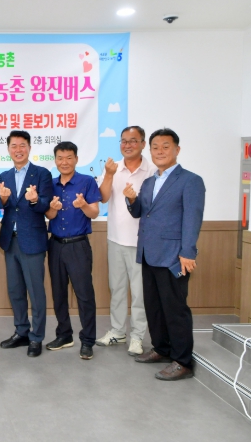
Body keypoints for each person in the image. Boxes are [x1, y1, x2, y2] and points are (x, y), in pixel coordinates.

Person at [126, 128, 205, 381]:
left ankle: (182, 361)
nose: (160, 151)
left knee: (175, 309)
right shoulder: (149, 181)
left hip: (173, 256)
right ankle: (161, 348)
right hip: (149, 253)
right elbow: (141, 213)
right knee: (154, 307)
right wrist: (131, 200)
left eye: (165, 146)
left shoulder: (190, 181)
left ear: (177, 150)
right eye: (155, 147)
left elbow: (192, 219)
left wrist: (187, 252)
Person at [96, 126, 156, 356]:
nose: (127, 145)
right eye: (124, 141)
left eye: (133, 141)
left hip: (142, 243)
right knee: (117, 288)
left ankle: (137, 336)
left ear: (143, 144)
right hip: (115, 239)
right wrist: (109, 174)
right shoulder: (113, 168)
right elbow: (103, 198)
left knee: (139, 293)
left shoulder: (152, 171)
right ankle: (118, 331)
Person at [0, 131, 53, 358]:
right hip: (11, 241)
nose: (18, 150)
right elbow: (0, 202)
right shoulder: (4, 175)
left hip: (33, 241)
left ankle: (36, 337)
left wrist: (36, 200)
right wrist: (3, 198)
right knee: (15, 290)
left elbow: (47, 204)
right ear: (8, 149)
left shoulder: (42, 174)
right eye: (14, 146)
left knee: (36, 292)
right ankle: (21, 332)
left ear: (29, 148)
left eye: (22, 145)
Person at [45, 141, 101, 360]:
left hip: (78, 245)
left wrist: (83, 205)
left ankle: (87, 340)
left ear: (76, 159)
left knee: (84, 295)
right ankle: (64, 335)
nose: (64, 162)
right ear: (55, 160)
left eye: (69, 157)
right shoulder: (50, 184)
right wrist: (52, 209)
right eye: (60, 158)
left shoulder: (87, 181)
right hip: (55, 244)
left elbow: (94, 212)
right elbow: (49, 215)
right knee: (58, 293)